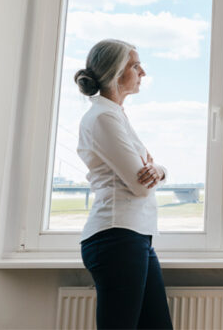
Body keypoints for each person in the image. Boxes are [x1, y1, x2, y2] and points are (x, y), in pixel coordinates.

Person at [73, 39, 173, 330]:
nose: (143, 72)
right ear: (117, 73)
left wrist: (159, 169)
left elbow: (150, 173)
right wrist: (153, 169)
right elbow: (141, 185)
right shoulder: (103, 117)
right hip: (116, 237)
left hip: (134, 237)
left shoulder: (114, 115)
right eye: (135, 65)